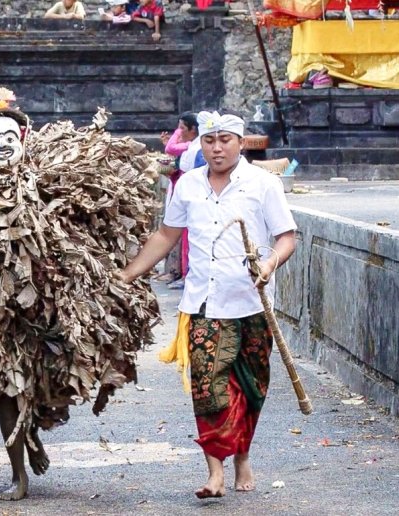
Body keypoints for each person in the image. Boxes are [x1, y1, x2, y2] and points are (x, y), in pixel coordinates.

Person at [119, 110, 297, 499]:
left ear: (240, 142)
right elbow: (166, 236)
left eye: (225, 141)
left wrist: (268, 263)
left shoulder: (262, 184)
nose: (216, 149)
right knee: (206, 385)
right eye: (209, 141)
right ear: (201, 143)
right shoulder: (188, 186)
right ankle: (214, 470)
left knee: (250, 387)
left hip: (252, 303)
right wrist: (126, 275)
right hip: (202, 302)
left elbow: (287, 237)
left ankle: (242, 455)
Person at [159, 112, 199, 289]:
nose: (179, 131)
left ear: (194, 130)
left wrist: (175, 134)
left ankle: (186, 274)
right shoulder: (192, 146)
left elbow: (170, 149)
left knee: (188, 238)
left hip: (191, 194)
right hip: (182, 190)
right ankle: (182, 273)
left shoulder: (195, 147)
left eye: (183, 128)